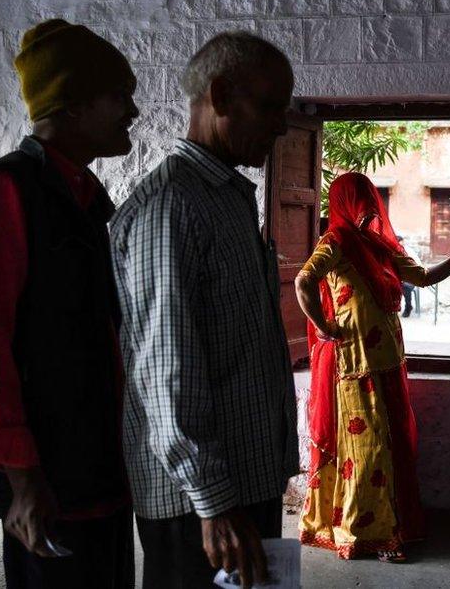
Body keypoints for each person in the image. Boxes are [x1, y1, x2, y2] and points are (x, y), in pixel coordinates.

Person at [0, 19, 138, 588]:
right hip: (45, 473)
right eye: (118, 95)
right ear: (73, 105)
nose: (133, 111)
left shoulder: (85, 197)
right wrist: (19, 478)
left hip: (95, 457)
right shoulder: (4, 194)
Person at [110, 32, 299, 589]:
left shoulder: (225, 197)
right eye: (269, 107)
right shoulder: (173, 207)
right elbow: (166, 374)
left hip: (240, 485)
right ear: (219, 96)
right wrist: (213, 504)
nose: (283, 126)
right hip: (200, 504)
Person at [295, 172, 450, 562]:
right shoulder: (335, 242)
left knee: (390, 446)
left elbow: (424, 277)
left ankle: (387, 527)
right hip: (355, 363)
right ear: (345, 203)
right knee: (368, 448)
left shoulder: (380, 247)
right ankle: (365, 534)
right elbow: (303, 281)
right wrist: (323, 327)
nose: (368, 209)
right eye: (359, 201)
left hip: (387, 361)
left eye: (370, 201)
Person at [395, 235, 422, 318]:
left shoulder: (408, 252)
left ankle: (408, 307)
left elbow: (416, 267)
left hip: (413, 276)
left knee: (405, 286)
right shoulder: (394, 251)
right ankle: (395, 307)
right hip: (401, 277)